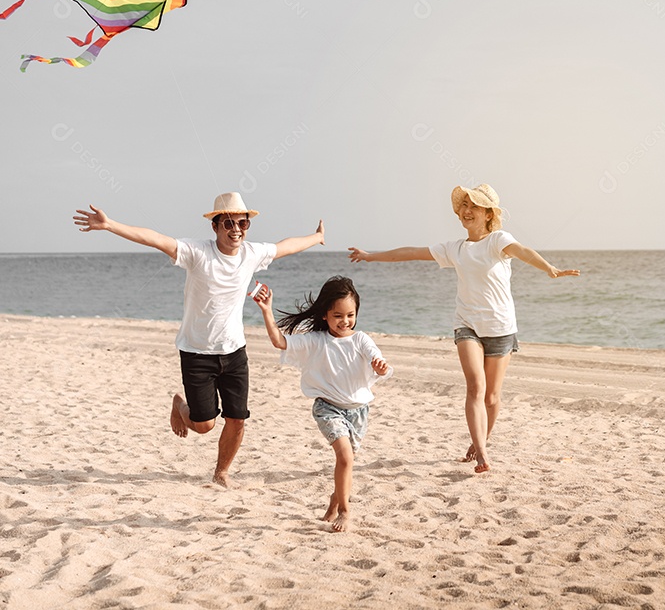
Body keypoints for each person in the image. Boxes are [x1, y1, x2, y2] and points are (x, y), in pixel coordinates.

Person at [73, 192, 324, 488]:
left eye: (242, 223)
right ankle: (180, 405)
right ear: (215, 226)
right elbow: (154, 238)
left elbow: (285, 247)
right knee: (204, 426)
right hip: (196, 353)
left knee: (237, 419)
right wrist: (110, 224)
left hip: (234, 352)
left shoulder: (251, 254)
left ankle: (221, 473)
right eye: (228, 223)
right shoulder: (197, 253)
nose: (236, 230)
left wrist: (317, 238)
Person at [347, 184, 578, 473]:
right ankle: (481, 453)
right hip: (467, 325)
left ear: (488, 214)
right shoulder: (454, 249)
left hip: (501, 328)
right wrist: (371, 256)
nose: (467, 211)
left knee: (492, 397)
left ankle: (480, 440)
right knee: (475, 387)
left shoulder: (498, 241)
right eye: (464, 206)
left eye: (475, 206)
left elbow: (522, 251)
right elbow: (411, 253)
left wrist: (549, 269)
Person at [252, 276, 392, 533]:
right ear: (325, 314)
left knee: (346, 463)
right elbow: (280, 342)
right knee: (346, 458)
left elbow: (376, 358)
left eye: (350, 314)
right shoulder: (316, 340)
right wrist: (267, 310)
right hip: (328, 409)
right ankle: (344, 511)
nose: (345, 321)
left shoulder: (361, 339)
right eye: (338, 315)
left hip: (359, 412)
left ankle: (333, 502)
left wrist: (379, 366)